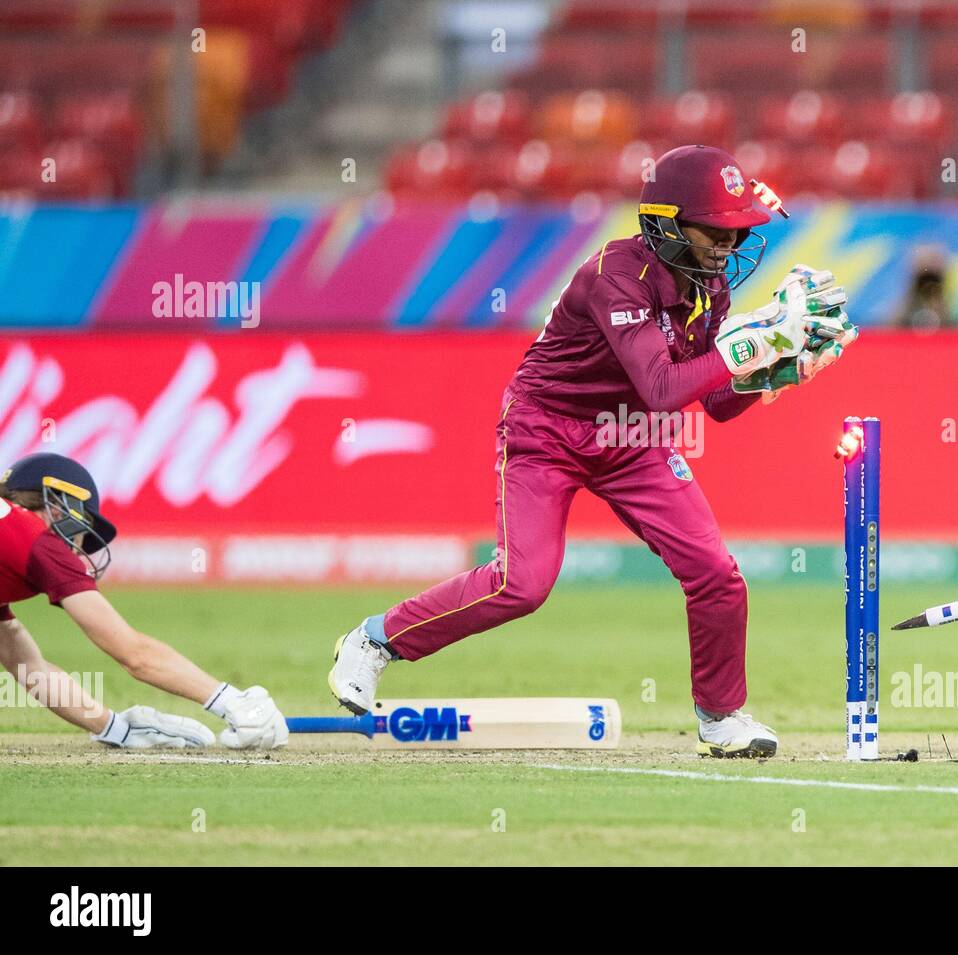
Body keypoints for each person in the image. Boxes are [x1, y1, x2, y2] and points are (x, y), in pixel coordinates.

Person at [329, 145, 856, 757]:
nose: (728, 244)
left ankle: (721, 718)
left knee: (716, 575)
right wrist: (760, 345)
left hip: (632, 438)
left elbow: (708, 402)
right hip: (548, 430)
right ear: (665, 221)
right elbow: (662, 388)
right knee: (521, 584)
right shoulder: (614, 273)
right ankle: (374, 641)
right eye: (715, 228)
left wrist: (778, 374)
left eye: (737, 229)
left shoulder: (710, 287)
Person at [0, 452, 288, 750]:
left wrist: (115, 728)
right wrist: (231, 701)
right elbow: (133, 653)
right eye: (81, 527)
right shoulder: (35, 539)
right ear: (60, 507)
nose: (77, 546)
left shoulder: (11, 535)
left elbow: (30, 669)